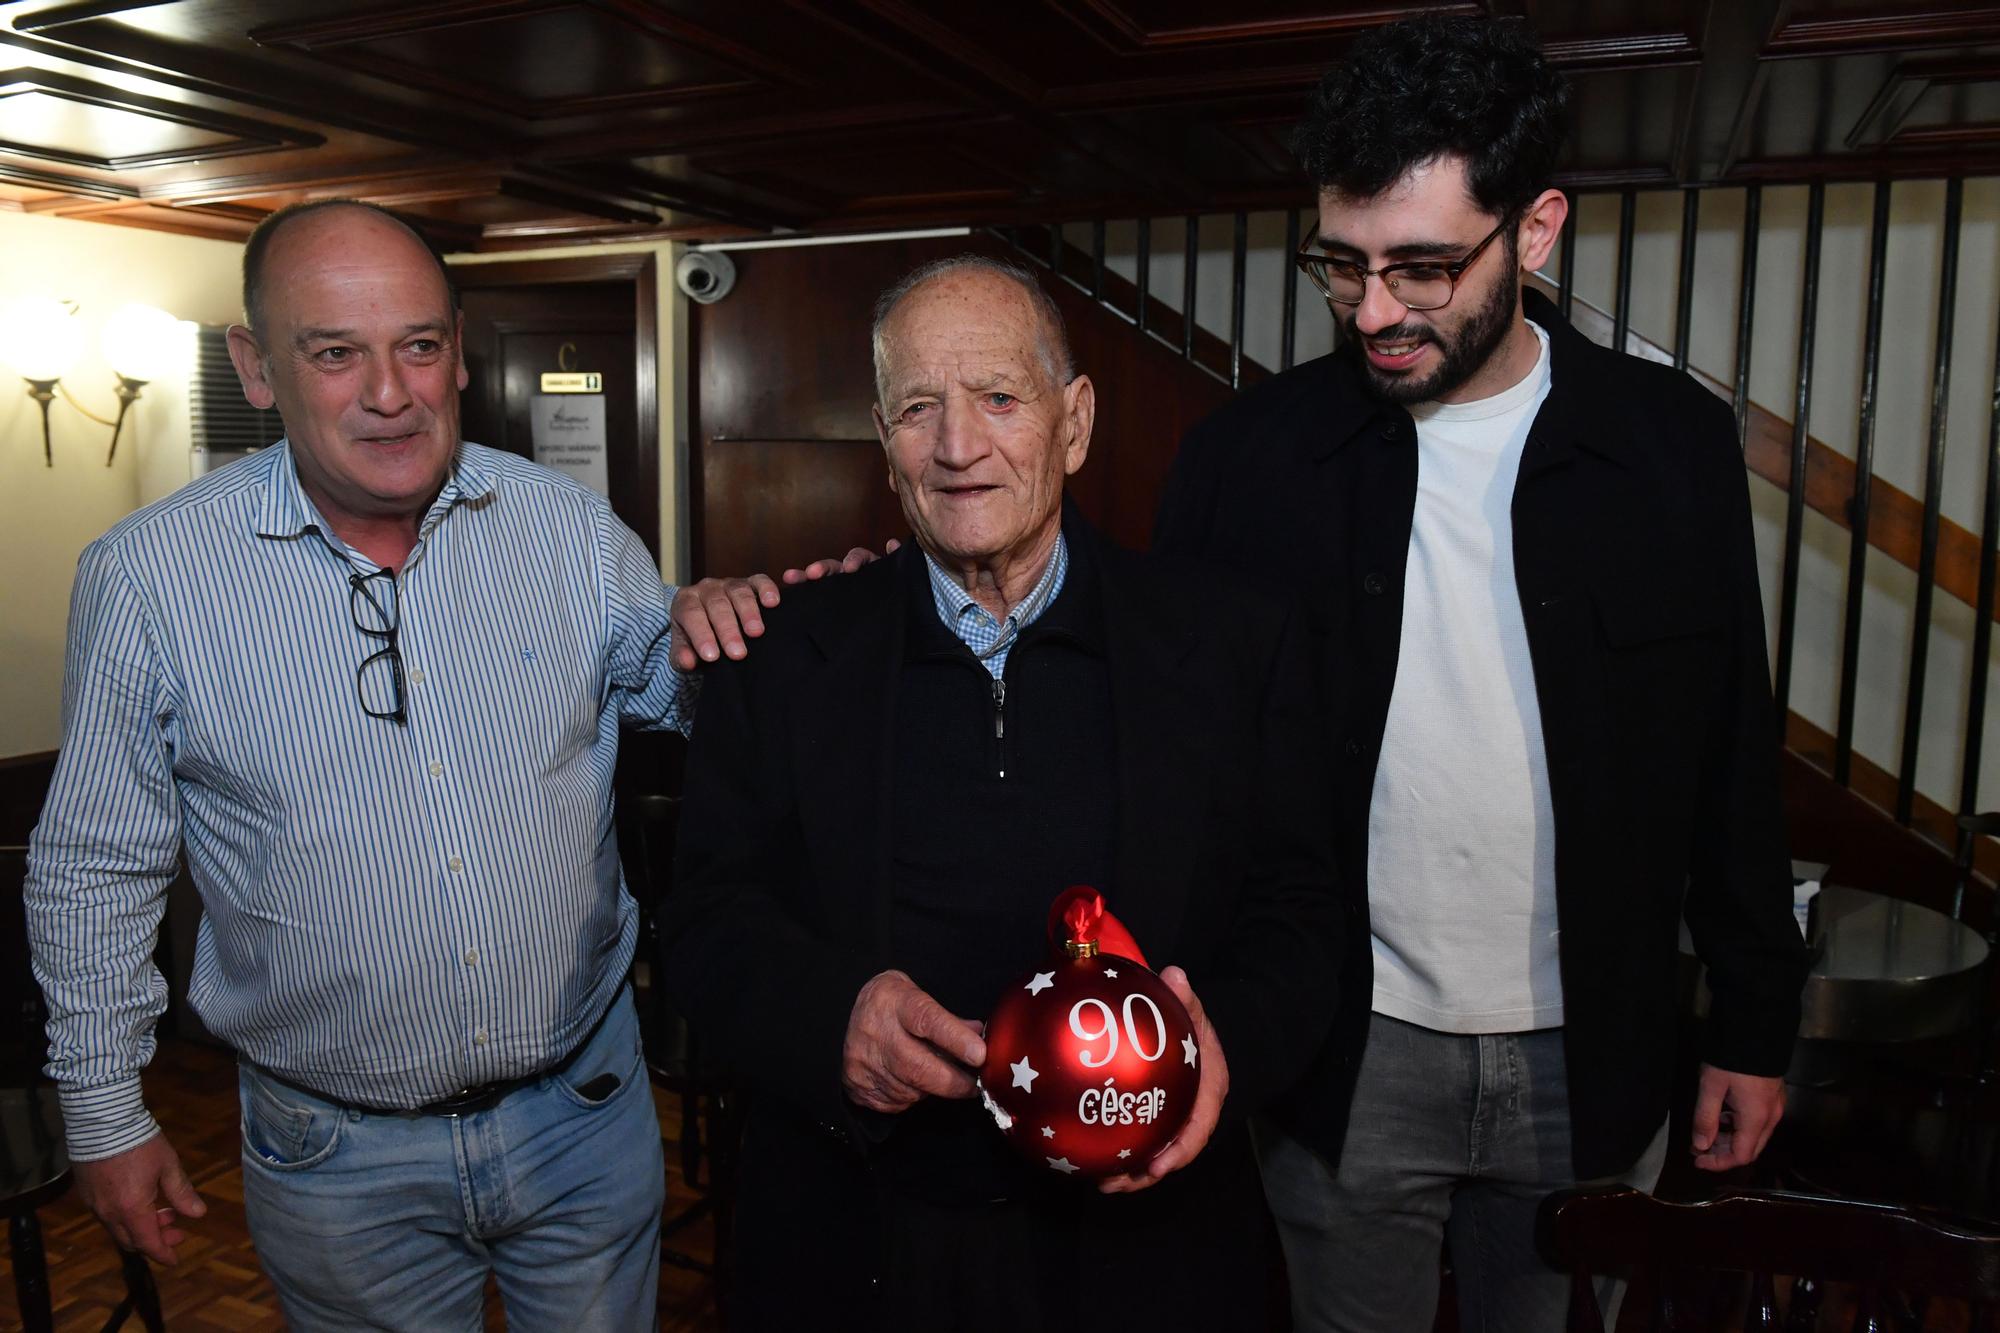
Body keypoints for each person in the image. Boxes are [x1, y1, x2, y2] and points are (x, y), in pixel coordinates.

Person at [22, 198, 798, 1329]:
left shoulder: (568, 530)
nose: (390, 394)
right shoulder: (152, 580)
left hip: (583, 1113)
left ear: (458, 350)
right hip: (338, 1159)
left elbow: (675, 688)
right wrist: (105, 1114)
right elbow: (95, 863)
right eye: (335, 353)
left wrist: (721, 625)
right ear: (256, 366)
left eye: (418, 346)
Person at [1152, 15, 1812, 1330]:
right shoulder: (1248, 461)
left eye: (1423, 266)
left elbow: (1731, 748)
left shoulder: (1669, 449)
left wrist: (1754, 1020)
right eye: (1342, 265)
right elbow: (1172, 746)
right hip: (1343, 1049)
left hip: (1594, 1047)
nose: (1376, 310)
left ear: (1539, 230)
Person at [661, 254, 1350, 1332]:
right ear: (883, 443)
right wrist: (829, 1014)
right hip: (863, 1238)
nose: (955, 445)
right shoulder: (783, 654)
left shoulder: (1230, 642)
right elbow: (706, 920)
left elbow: (1303, 915)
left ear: (1072, 422)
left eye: (997, 398)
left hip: (1147, 1238)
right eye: (917, 408)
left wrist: (1221, 1048)